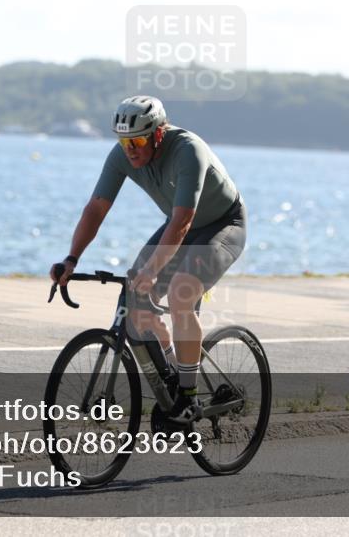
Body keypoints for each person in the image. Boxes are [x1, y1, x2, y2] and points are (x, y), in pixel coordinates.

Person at [50, 96, 246, 424]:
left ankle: (188, 395)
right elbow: (96, 209)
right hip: (178, 226)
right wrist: (71, 259)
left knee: (181, 293)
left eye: (138, 140)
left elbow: (183, 221)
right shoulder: (122, 155)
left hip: (221, 225)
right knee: (135, 298)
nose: (130, 149)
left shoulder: (187, 150)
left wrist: (154, 270)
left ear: (158, 133)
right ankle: (171, 372)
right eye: (124, 141)